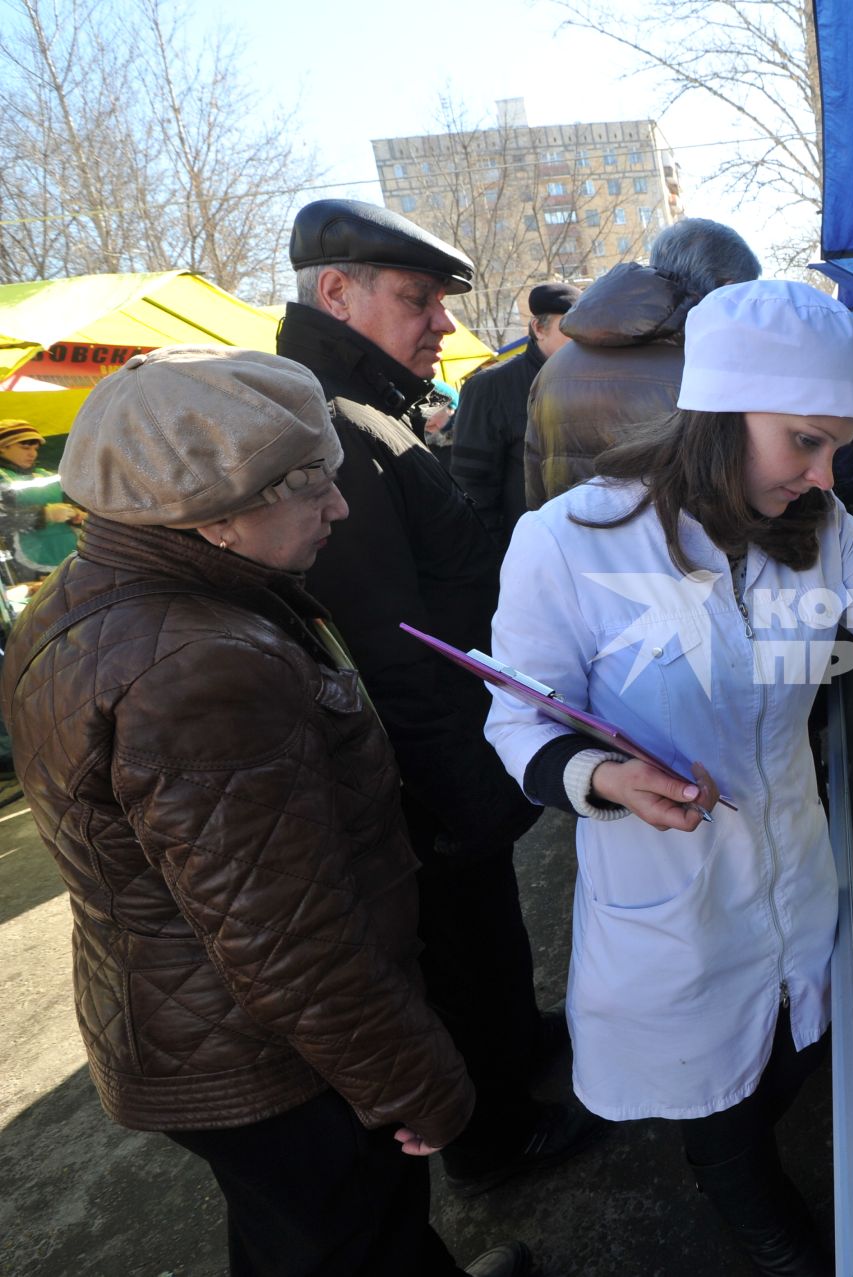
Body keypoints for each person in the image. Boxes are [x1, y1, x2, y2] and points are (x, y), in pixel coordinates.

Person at [485, 280, 853, 1275]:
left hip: (793, 858)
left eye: (837, 443)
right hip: (674, 887)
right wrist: (604, 777)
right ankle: (763, 1220)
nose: (827, 472)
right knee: (718, 1104)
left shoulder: (818, 529)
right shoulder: (571, 542)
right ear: (718, 413)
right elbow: (518, 714)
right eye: (806, 441)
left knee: (791, 1050)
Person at [0, 346, 531, 1277]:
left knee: (314, 1231)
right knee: (346, 1232)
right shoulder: (200, 670)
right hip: (273, 1057)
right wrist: (415, 1078)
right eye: (311, 484)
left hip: (195, 1024)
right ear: (212, 515)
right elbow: (289, 939)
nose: (339, 505)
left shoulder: (98, 594)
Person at [277, 198, 600, 1201]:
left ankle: (517, 1045)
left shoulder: (368, 409)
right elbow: (391, 651)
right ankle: (494, 1132)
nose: (445, 323)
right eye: (418, 299)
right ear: (338, 293)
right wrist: (464, 799)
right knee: (455, 945)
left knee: (488, 934)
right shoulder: (333, 424)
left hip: (461, 752)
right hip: (431, 775)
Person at [523, 217, 761, 510]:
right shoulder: (711, 368)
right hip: (684, 553)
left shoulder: (552, 370)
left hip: (576, 547)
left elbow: (537, 490)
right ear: (729, 288)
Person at [451, 282, 578, 553]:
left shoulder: (589, 379)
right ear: (538, 328)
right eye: (568, 326)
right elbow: (472, 487)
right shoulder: (490, 387)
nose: (579, 336)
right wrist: (499, 562)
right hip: (526, 552)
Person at [0, 420, 86, 576]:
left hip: (69, 552)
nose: (32, 453)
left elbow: (68, 501)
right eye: (25, 447)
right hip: (24, 565)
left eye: (35, 448)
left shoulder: (46, 474)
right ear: (2, 448)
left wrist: (75, 513)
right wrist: (44, 514)